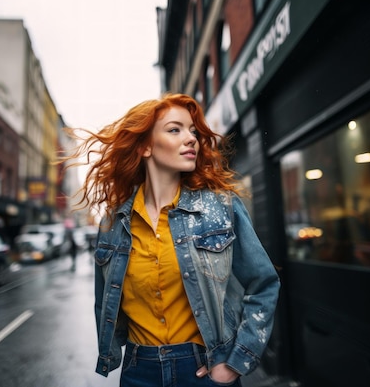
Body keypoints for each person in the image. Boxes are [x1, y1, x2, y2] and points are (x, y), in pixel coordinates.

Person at [66, 93, 280, 386]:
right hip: (139, 372)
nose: (191, 138)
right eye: (175, 129)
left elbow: (264, 284)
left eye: (192, 130)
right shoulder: (113, 224)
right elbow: (103, 302)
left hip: (205, 369)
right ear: (145, 146)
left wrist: (236, 362)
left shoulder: (220, 207)